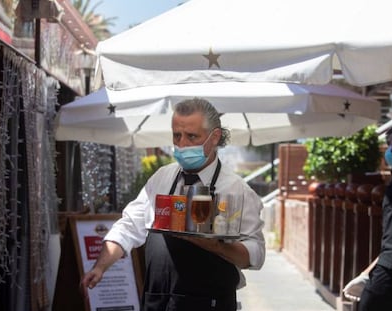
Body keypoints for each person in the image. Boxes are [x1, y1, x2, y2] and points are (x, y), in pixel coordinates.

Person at [81, 97, 266, 311]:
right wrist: (101, 266)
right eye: (177, 136)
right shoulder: (161, 179)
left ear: (214, 137)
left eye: (192, 136)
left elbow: (256, 254)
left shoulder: (237, 190)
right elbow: (129, 225)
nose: (182, 144)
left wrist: (215, 245)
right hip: (157, 301)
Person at [343, 123, 392, 310]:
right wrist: (367, 274)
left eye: (390, 142)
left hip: (391, 274)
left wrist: (373, 278)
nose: (389, 150)